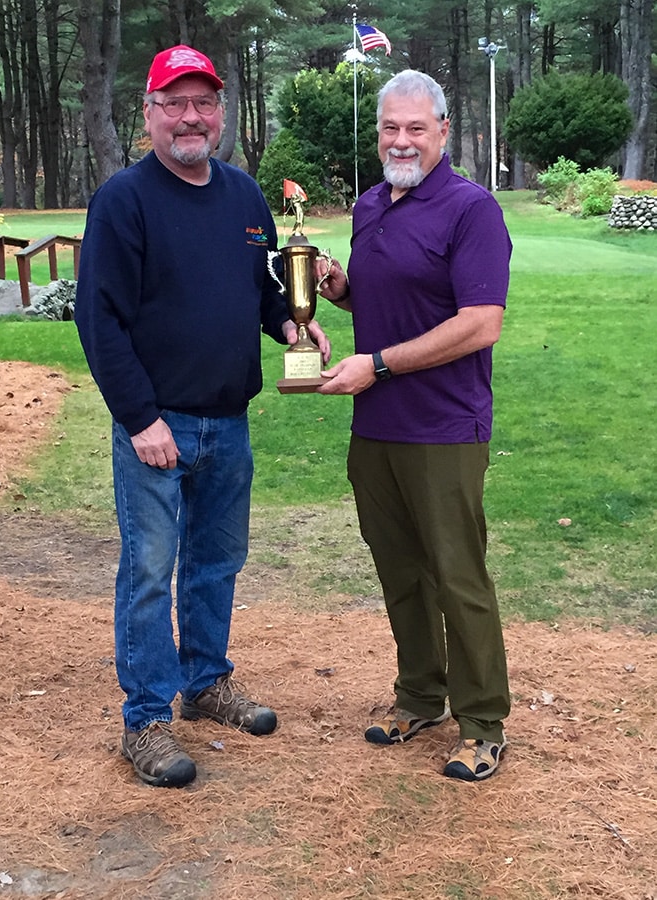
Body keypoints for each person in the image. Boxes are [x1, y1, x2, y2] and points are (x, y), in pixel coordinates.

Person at [75, 45, 330, 789]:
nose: (191, 116)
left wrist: (290, 325)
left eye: (203, 102)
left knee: (217, 563)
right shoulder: (125, 200)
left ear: (219, 111)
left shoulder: (245, 198)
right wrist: (140, 418)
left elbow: (260, 293)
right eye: (173, 102)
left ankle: (205, 681)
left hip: (229, 423)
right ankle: (146, 720)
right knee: (150, 572)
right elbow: (101, 320)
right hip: (157, 427)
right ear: (149, 113)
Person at [317, 69, 511, 782]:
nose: (401, 139)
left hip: (442, 427)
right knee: (399, 573)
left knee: (457, 577)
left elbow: (479, 323)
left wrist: (380, 366)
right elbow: (386, 304)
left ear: (441, 132)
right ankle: (419, 696)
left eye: (415, 128)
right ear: (378, 133)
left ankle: (484, 721)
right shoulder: (371, 205)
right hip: (376, 427)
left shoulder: (471, 209)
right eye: (389, 128)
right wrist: (339, 293)